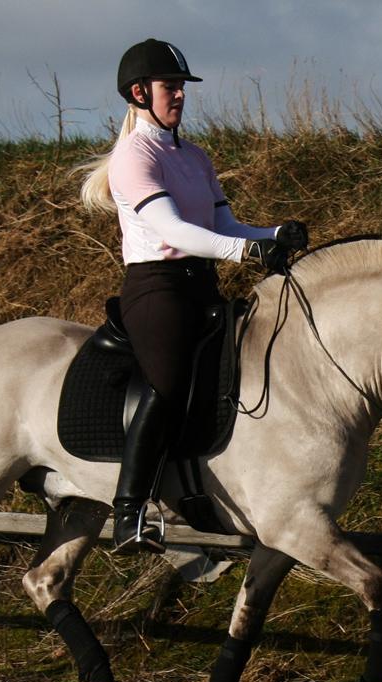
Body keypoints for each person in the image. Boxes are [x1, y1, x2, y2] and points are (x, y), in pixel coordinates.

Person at [77, 38, 308, 552]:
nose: (179, 95)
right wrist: (245, 254)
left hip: (202, 284)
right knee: (167, 383)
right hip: (156, 290)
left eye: (181, 87)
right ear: (139, 93)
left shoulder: (195, 156)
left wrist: (271, 235)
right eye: (169, 87)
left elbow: (222, 222)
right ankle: (129, 511)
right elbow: (174, 230)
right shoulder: (132, 158)